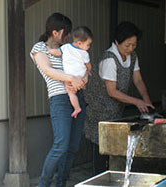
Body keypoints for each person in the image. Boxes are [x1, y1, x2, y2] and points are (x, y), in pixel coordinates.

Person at [84, 21, 154, 175]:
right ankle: (99, 180)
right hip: (99, 109)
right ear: (117, 42)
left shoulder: (133, 56)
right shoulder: (109, 59)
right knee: (101, 147)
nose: (130, 49)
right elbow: (112, 91)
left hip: (115, 109)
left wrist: (146, 100)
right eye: (127, 45)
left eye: (134, 45)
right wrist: (137, 101)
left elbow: (138, 80)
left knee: (113, 148)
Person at [30, 13, 87, 187]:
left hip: (78, 97)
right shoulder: (39, 48)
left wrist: (83, 78)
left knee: (73, 147)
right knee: (61, 145)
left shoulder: (69, 48)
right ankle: (44, 184)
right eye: (66, 32)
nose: (68, 36)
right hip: (59, 99)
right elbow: (48, 70)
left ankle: (61, 183)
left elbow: (83, 66)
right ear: (55, 32)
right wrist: (71, 78)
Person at [47, 26, 93, 118]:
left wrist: (49, 50)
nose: (88, 47)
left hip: (70, 77)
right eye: (88, 45)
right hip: (81, 76)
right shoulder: (84, 53)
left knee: (71, 93)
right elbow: (88, 65)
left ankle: (77, 108)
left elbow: (56, 53)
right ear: (79, 43)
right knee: (78, 89)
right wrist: (89, 71)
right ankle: (78, 106)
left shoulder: (66, 47)